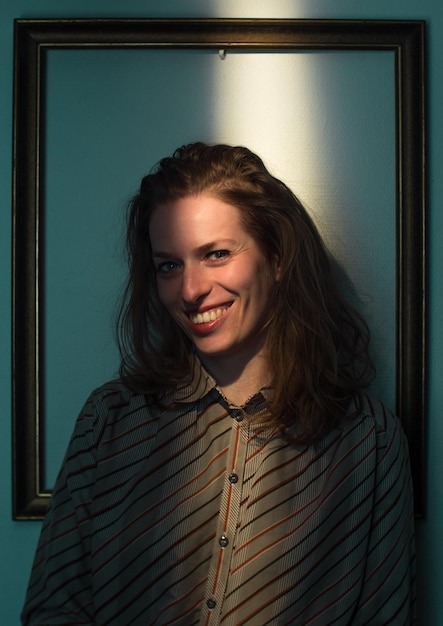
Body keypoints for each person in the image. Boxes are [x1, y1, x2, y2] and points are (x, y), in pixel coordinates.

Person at [22, 142, 416, 625]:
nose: (190, 290)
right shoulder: (111, 420)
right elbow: (53, 608)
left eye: (216, 254)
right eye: (169, 265)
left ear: (276, 258)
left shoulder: (367, 440)